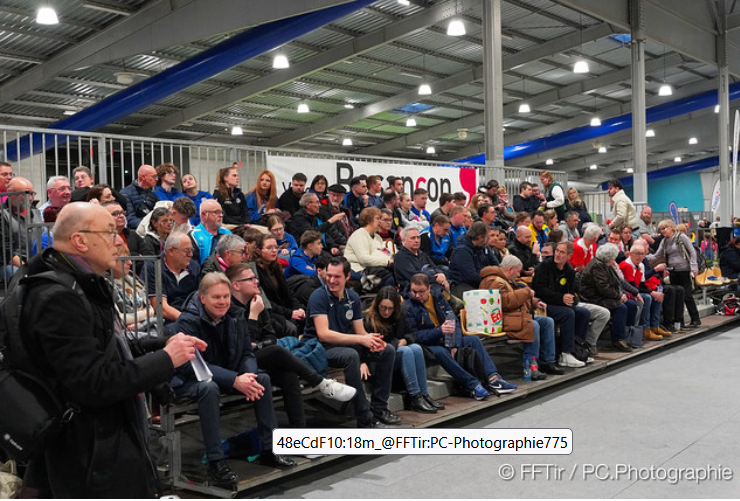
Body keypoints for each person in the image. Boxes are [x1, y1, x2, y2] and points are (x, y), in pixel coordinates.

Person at [19, 202, 204, 497]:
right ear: (80, 241)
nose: (119, 241)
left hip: (102, 444)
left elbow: (106, 347)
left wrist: (161, 343)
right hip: (87, 457)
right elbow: (93, 383)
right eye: (109, 233)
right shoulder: (58, 297)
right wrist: (165, 360)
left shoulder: (82, 285)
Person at [167, 273, 298, 486]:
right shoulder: (187, 322)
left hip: (227, 375)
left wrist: (248, 376)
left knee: (262, 379)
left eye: (226, 296)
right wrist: (235, 379)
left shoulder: (236, 315)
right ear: (203, 298)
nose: (222, 302)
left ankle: (269, 449)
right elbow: (193, 365)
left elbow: (247, 353)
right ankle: (216, 463)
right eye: (216, 297)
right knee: (208, 388)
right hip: (190, 379)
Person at [226, 264, 356, 426]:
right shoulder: (229, 309)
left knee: (289, 375)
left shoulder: (257, 303)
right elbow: (244, 347)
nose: (256, 281)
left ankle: (299, 433)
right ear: (236, 285)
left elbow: (271, 336)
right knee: (276, 351)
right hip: (239, 364)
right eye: (250, 279)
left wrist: (258, 345)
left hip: (261, 358)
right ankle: (322, 383)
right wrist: (253, 316)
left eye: (255, 277)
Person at [302, 257, 400, 428]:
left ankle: (379, 408)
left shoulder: (352, 297)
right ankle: (364, 418)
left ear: (347, 276)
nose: (331, 280)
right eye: (329, 275)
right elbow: (324, 335)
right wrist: (361, 340)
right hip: (319, 348)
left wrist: (372, 341)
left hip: (344, 345)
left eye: (337, 276)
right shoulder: (318, 296)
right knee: (351, 355)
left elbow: (360, 331)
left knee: (387, 350)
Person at [405, 273, 517, 399]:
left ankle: (493, 379)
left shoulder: (438, 298)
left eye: (421, 292)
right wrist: (439, 331)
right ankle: (473, 384)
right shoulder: (408, 306)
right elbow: (415, 336)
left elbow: (453, 321)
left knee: (473, 340)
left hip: (446, 339)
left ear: (429, 288)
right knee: (441, 352)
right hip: (428, 345)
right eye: (414, 291)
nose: (417, 295)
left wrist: (454, 343)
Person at [480, 255, 563, 378]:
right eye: (518, 271)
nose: (519, 275)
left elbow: (517, 300)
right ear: (510, 269)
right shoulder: (493, 281)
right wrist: (526, 292)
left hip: (513, 316)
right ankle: (530, 367)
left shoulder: (505, 280)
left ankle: (547, 361)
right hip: (499, 319)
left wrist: (534, 302)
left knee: (547, 321)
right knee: (532, 324)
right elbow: (505, 302)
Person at [364, 287, 442, 413]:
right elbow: (379, 345)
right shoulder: (368, 319)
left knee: (416, 348)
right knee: (407, 351)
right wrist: (397, 343)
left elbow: (411, 334)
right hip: (377, 360)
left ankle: (424, 394)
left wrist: (405, 340)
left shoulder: (399, 314)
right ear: (377, 304)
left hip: (396, 355)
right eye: (383, 307)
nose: (386, 312)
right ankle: (414, 396)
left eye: (390, 308)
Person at [531, 241, 589, 367]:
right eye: (557, 250)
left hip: (559, 303)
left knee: (583, 313)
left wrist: (571, 299)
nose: (557, 254)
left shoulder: (569, 270)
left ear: (569, 256)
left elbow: (572, 291)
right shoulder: (544, 266)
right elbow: (539, 290)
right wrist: (561, 298)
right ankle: (565, 353)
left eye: (562, 252)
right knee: (568, 314)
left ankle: (578, 350)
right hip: (543, 303)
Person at [579, 243, 637, 352]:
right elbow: (604, 288)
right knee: (621, 307)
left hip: (603, 295)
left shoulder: (605, 265)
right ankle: (618, 339)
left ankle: (628, 335)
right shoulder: (597, 266)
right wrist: (618, 296)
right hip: (593, 298)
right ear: (610, 258)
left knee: (631, 305)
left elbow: (618, 281)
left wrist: (622, 294)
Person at [651, 219, 701, 328]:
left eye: (664, 228)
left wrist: (694, 267)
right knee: (677, 297)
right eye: (661, 229)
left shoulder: (681, 237)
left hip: (684, 271)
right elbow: (657, 255)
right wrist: (642, 256)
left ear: (671, 227)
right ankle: (679, 321)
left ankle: (695, 319)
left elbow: (692, 251)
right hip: (673, 271)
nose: (662, 231)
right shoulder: (664, 241)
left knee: (687, 296)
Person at [251, 233, 304, 337]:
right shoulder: (254, 271)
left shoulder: (276, 267)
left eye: (275, 247)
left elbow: (289, 292)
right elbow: (266, 302)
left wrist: (298, 308)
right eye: (269, 248)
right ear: (258, 251)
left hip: (284, 310)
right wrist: (290, 313)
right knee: (290, 328)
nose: (274, 250)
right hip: (269, 313)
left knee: (308, 317)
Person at [620, 242, 672, 341]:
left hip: (636, 290)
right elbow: (631, 286)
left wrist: (653, 292)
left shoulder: (641, 265)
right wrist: (651, 293)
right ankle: (645, 328)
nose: (639, 256)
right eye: (637, 253)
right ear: (630, 254)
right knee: (647, 297)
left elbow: (642, 285)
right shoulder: (626, 265)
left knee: (658, 294)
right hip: (627, 292)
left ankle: (655, 326)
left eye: (642, 254)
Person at [146, 231, 200, 322]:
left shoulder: (194, 267)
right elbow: (160, 307)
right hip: (166, 321)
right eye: (187, 251)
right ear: (171, 251)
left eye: (192, 250)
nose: (191, 255)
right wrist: (188, 321)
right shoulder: (154, 267)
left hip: (191, 315)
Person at [0, 177, 42, 279]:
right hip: (11, 263)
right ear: (10, 193)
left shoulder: (36, 212)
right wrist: (28, 269)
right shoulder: (2, 215)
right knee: (17, 274)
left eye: (32, 194)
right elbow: (6, 253)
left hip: (35, 261)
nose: (30, 198)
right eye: (25, 194)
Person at [343, 207, 394, 286]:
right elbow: (364, 259)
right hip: (357, 270)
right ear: (369, 220)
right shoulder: (359, 234)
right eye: (378, 218)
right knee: (388, 278)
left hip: (371, 268)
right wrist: (387, 262)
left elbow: (380, 254)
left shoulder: (376, 237)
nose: (380, 222)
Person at [448, 221, 499, 297]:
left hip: (480, 281)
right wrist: (489, 279)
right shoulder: (462, 251)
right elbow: (471, 276)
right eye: (487, 237)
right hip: (461, 284)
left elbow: (495, 264)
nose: (488, 239)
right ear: (480, 238)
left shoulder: (484, 247)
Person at [394, 225, 449, 294]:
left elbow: (434, 267)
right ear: (404, 240)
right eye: (413, 238)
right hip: (414, 292)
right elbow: (414, 277)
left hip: (432, 286)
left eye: (418, 237)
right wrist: (436, 279)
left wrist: (441, 275)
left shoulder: (422, 254)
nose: (416, 240)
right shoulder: (400, 257)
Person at [189, 199, 232, 265]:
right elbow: (193, 265)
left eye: (221, 212)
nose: (221, 215)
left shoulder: (227, 232)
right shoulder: (194, 235)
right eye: (216, 212)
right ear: (204, 214)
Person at [121, 164, 159, 229]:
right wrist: (150, 227)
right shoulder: (126, 193)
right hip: (136, 231)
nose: (157, 179)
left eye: (156, 176)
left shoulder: (153, 195)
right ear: (143, 177)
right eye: (154, 176)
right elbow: (129, 219)